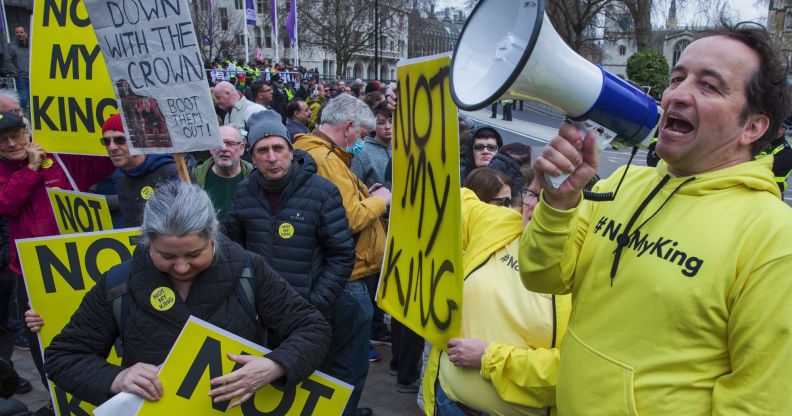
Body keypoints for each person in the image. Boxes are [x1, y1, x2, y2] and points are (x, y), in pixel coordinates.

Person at [520, 23, 792, 414]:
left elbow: (759, 401)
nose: (677, 95)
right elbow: (540, 276)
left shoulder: (773, 237)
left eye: (709, 86)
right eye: (676, 78)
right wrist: (558, 204)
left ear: (753, 127)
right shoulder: (624, 182)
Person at [43, 182, 331, 407]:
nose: (181, 267)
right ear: (147, 241)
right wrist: (116, 377)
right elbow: (63, 357)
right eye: (167, 255)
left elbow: (312, 329)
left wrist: (275, 365)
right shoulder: (119, 282)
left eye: (194, 254)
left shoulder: (249, 268)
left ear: (213, 234)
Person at [423, 171, 569, 416]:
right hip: (448, 402)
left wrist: (488, 357)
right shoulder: (502, 222)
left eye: (553, 199)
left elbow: (571, 370)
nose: (535, 206)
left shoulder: (587, 271)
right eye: (533, 194)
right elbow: (450, 199)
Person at [0, 109, 115, 388]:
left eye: (16, 136)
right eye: (3, 141)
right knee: (41, 334)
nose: (12, 144)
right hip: (30, 270)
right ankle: (55, 397)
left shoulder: (58, 158)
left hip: (76, 262)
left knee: (90, 328)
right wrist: (31, 170)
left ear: (27, 132)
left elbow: (102, 165)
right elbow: (6, 204)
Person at [293, 94, 389, 416]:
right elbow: (349, 219)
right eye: (361, 135)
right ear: (348, 127)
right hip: (347, 278)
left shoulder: (315, 151)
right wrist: (381, 201)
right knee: (348, 363)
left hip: (334, 275)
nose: (361, 142)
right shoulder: (326, 159)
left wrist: (366, 195)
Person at [226, 109, 354, 329]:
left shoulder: (323, 192)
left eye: (278, 148)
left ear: (291, 152)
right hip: (259, 313)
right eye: (263, 150)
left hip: (306, 316)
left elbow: (341, 255)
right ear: (253, 157)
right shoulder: (244, 192)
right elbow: (234, 247)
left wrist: (316, 302)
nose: (272, 157)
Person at [101, 114, 179, 227]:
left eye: (120, 140)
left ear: (138, 140)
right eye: (106, 141)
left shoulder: (170, 173)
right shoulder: (122, 182)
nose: (112, 147)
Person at [192, 126, 253, 221]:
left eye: (230, 143)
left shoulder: (254, 177)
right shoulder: (194, 178)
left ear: (241, 149)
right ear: (211, 149)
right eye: (219, 143)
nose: (224, 148)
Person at [4, 26, 29, 114]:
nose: (19, 34)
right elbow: (8, 61)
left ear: (26, 33)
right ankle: (22, 119)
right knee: (23, 99)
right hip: (22, 77)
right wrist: (15, 73)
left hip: (35, 78)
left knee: (36, 100)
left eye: (21, 32)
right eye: (17, 32)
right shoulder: (11, 46)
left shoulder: (33, 45)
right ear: (15, 34)